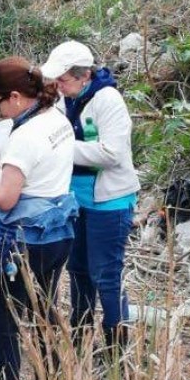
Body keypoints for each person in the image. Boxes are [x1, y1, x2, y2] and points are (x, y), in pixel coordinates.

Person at [0, 56, 78, 380]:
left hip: (27, 240)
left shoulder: (25, 135)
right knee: (43, 308)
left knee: (5, 317)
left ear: (14, 97)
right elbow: (31, 164)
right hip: (60, 230)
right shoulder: (55, 116)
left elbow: (4, 198)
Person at [40, 40, 140, 356]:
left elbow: (112, 153)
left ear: (84, 75)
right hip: (77, 200)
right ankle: (81, 343)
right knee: (78, 271)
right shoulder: (65, 100)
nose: (58, 86)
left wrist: (60, 149)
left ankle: (117, 352)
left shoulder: (107, 100)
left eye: (64, 80)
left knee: (106, 275)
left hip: (109, 202)